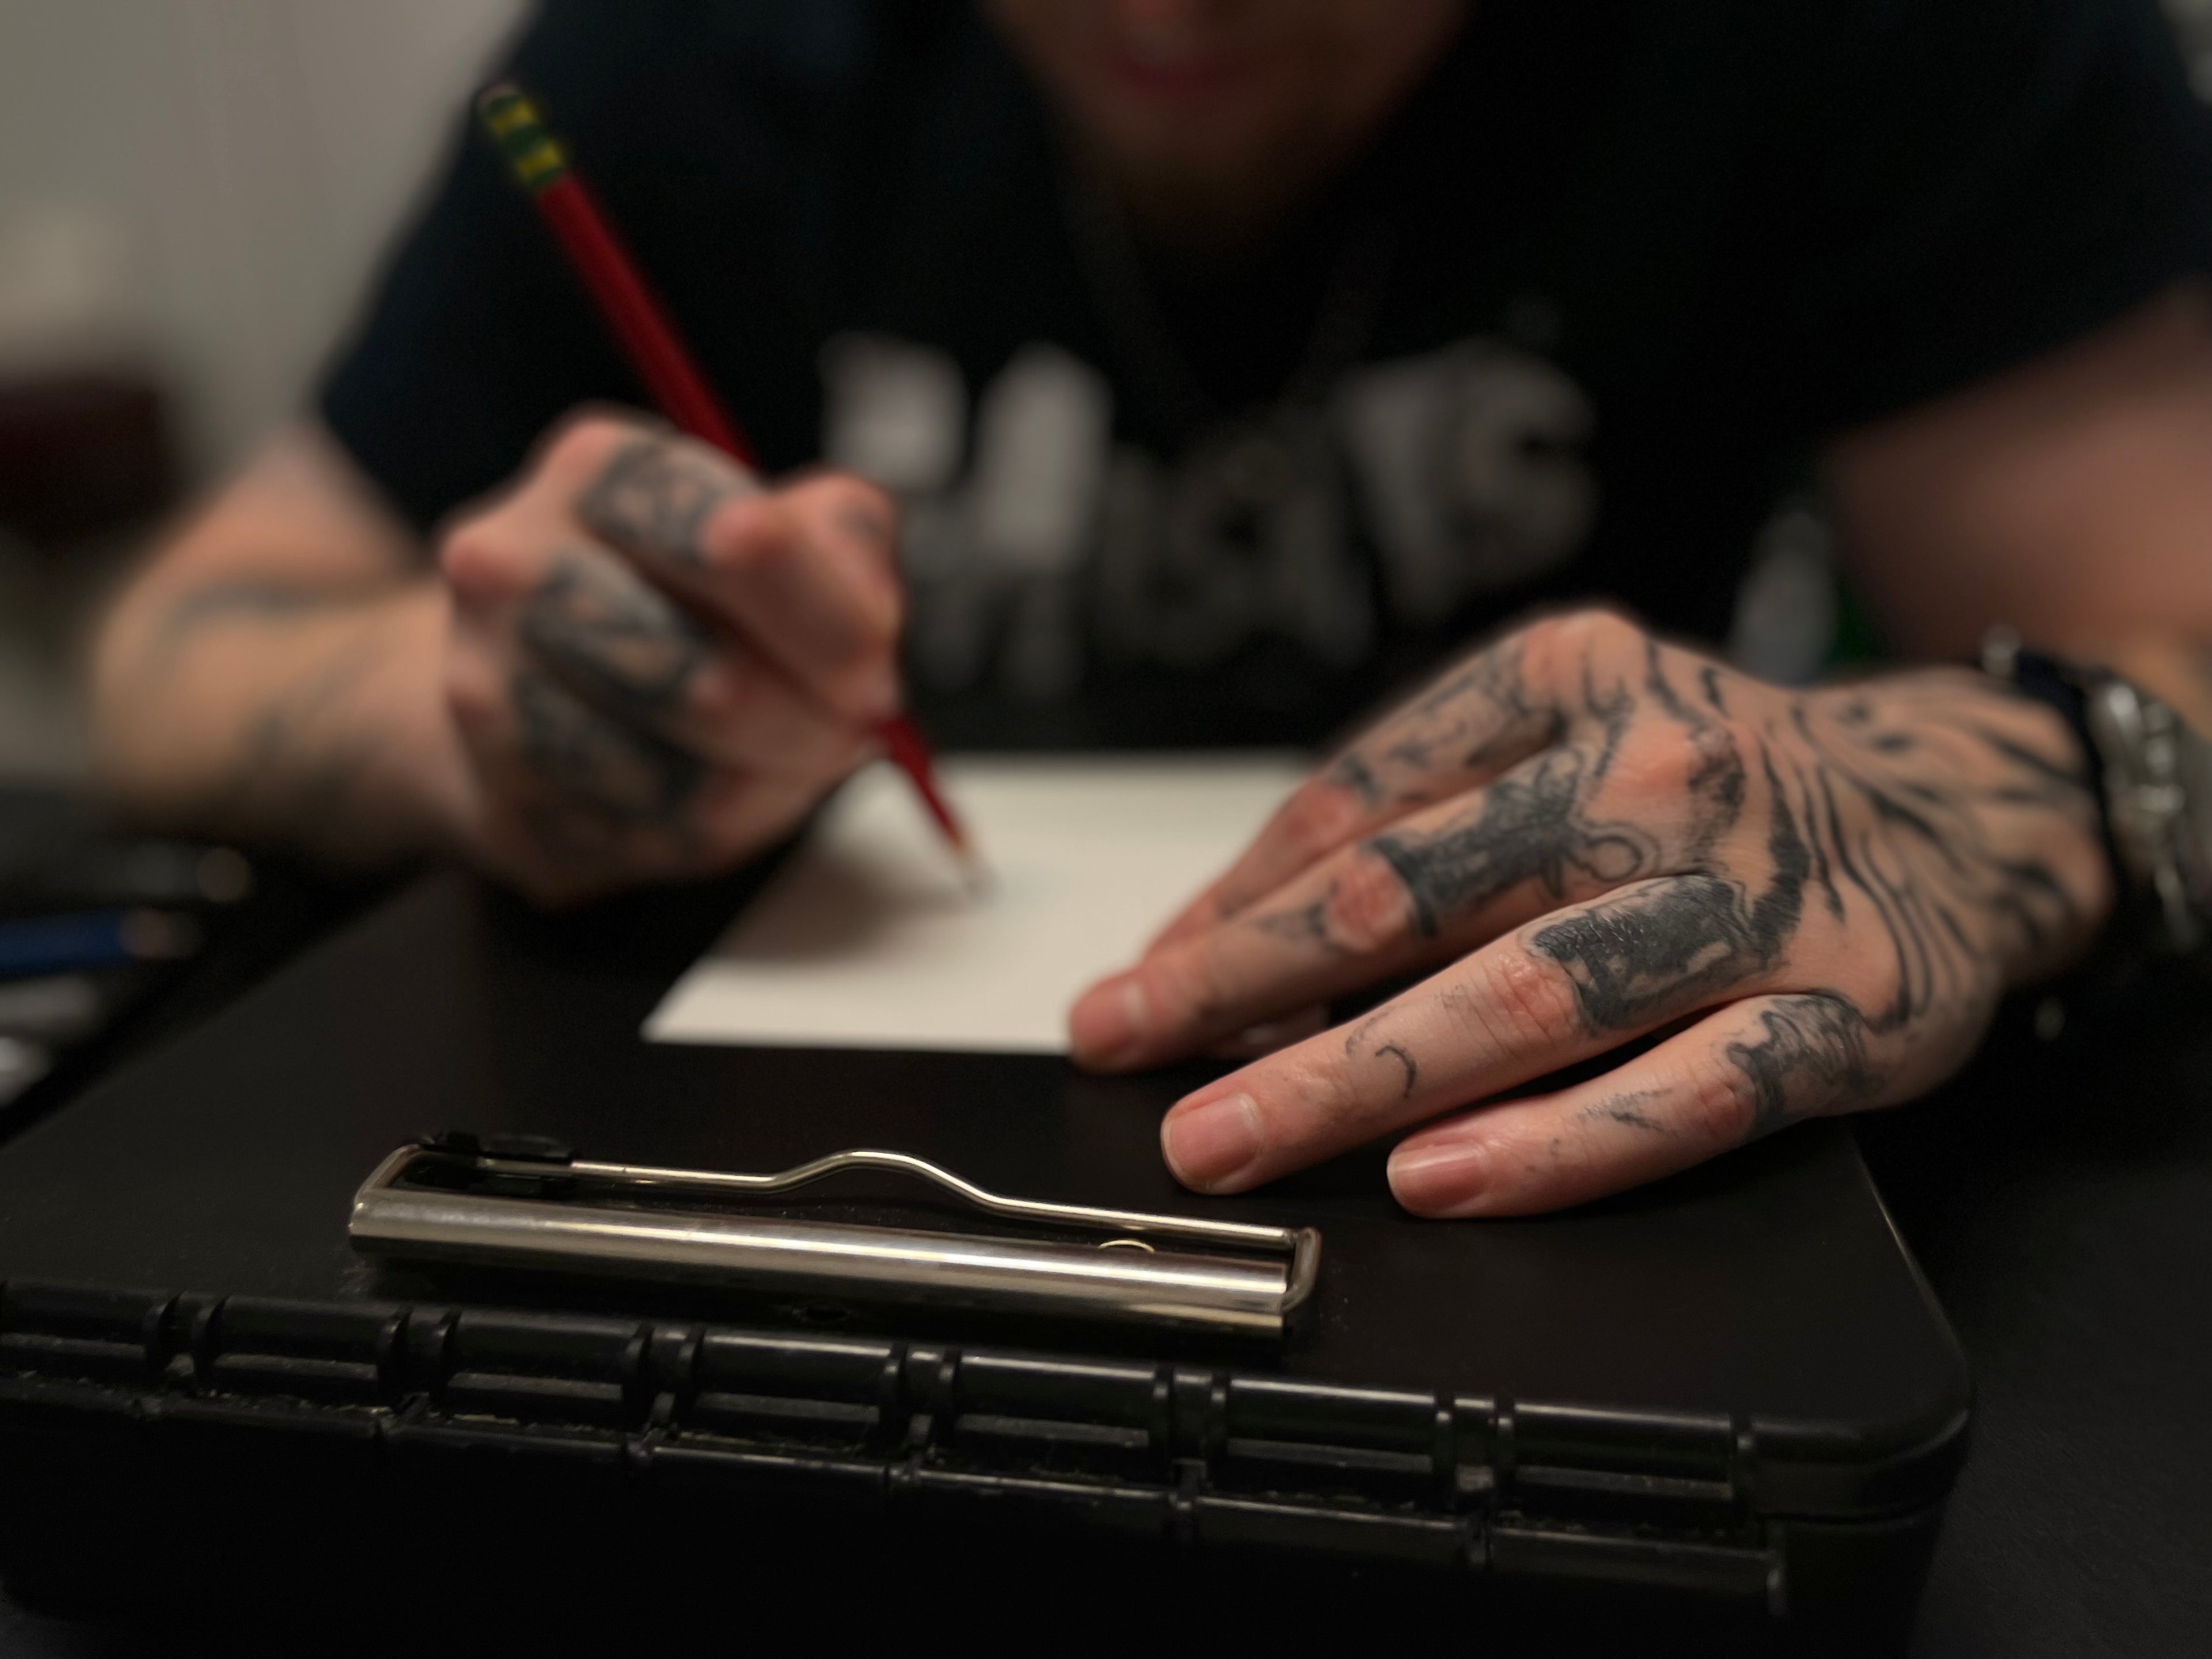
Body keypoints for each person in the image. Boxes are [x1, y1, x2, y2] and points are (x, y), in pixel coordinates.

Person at [90, 0, 2212, 1217]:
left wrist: (2012, 780)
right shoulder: (697, 51)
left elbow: (2171, 628)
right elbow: (185, 647)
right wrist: (464, 719)